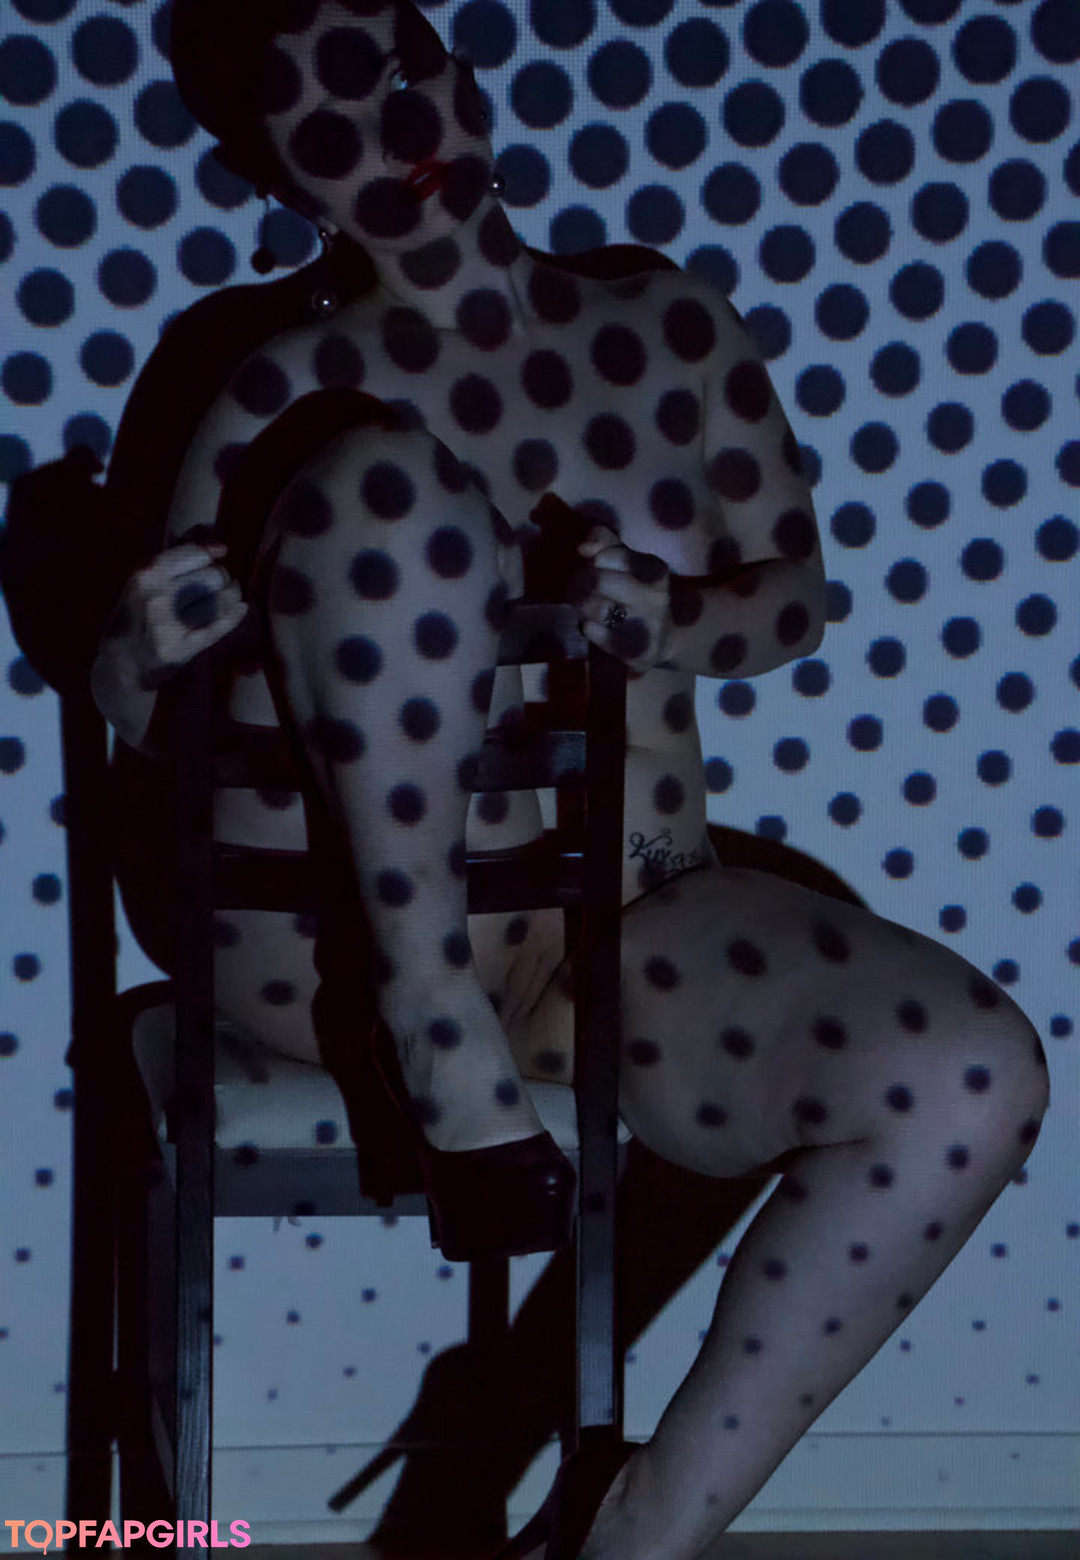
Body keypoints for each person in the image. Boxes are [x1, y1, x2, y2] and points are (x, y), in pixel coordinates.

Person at [87, 1, 1050, 1555]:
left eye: (407, 76)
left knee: (967, 1076)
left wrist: (674, 619)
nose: (398, 134)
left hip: (617, 921)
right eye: (332, 121)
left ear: (468, 82)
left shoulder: (668, 329)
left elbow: (794, 598)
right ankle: (428, 1016)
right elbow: (148, 723)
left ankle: (633, 1531)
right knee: (387, 488)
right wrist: (135, 652)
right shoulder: (279, 387)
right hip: (333, 949)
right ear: (283, 177)